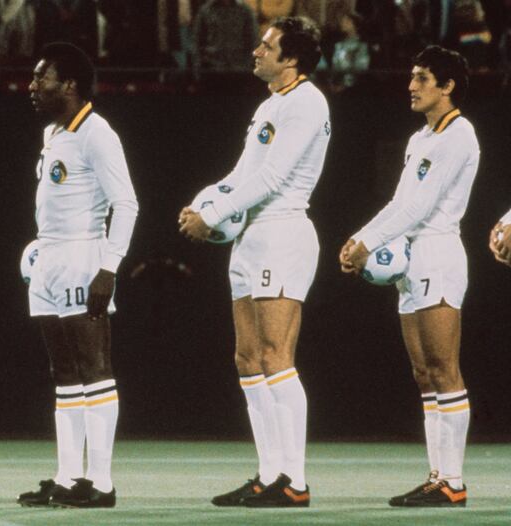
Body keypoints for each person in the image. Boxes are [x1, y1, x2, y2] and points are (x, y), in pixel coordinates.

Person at [180, 16, 329, 508]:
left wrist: (215, 214)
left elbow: (271, 179)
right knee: (248, 359)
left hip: (284, 233)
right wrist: (205, 204)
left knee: (275, 357)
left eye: (267, 47)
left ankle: (296, 480)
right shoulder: (271, 104)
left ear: (291, 59)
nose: (257, 52)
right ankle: (269, 473)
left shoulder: (307, 101)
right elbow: (243, 173)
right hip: (251, 238)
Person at [339, 45, 477, 507]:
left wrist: (367, 244)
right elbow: (400, 202)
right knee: (424, 374)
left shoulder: (460, 134)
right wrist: (361, 236)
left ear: (448, 85)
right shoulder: (420, 138)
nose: (411, 85)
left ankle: (453, 482)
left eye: (421, 78)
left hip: (438, 253)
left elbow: (420, 207)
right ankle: (437, 475)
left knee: (444, 368)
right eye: (412, 76)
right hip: (409, 259)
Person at [16, 41, 138, 509]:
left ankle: (101, 483)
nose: (31, 86)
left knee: (94, 368)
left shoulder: (97, 133)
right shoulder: (53, 133)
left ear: (68, 84)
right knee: (64, 372)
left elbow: (126, 203)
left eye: (40, 77)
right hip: (48, 259)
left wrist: (108, 267)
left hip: (84, 257)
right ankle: (69, 476)